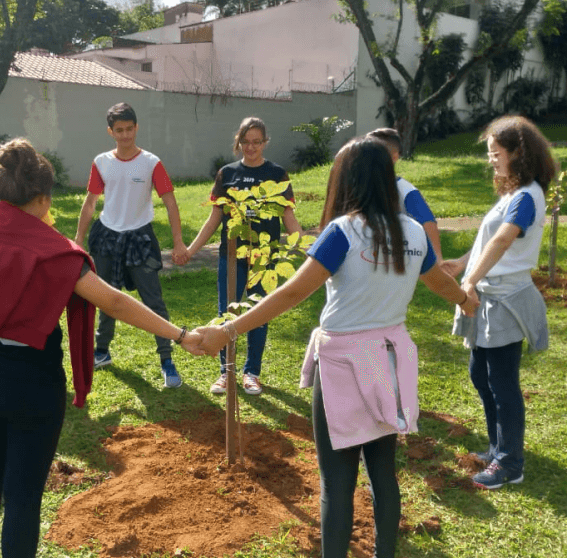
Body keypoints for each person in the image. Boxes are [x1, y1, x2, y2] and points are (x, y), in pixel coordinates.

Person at [0, 138, 201, 558]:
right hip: (32, 383)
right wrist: (180, 335)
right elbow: (112, 300)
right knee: (22, 497)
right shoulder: (54, 251)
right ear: (42, 199)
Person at [194, 136, 477, 558]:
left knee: (337, 481)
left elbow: (291, 294)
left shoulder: (342, 232)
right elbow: (440, 283)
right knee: (383, 472)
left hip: (344, 362)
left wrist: (230, 329)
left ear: (345, 180)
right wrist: (466, 301)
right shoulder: (414, 232)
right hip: (390, 357)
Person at [441, 115, 556, 490]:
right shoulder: (512, 193)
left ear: (517, 153)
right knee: (480, 374)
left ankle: (510, 463)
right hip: (489, 297)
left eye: (496, 153)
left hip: (505, 299)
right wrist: (462, 264)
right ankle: (497, 448)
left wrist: (469, 280)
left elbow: (504, 240)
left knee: (502, 381)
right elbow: (486, 238)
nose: (491, 160)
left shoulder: (527, 196)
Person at [74, 102, 189, 388]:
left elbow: (170, 203)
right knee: (104, 297)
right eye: (119, 130)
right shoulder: (101, 162)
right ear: (110, 132)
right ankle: (102, 352)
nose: (125, 135)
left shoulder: (151, 162)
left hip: (140, 238)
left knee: (154, 301)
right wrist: (77, 240)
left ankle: (166, 359)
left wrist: (179, 242)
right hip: (107, 237)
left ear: (137, 128)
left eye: (129, 129)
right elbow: (90, 204)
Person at [186, 116, 302, 395]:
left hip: (264, 258)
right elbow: (215, 218)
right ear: (238, 142)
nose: (251, 148)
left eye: (257, 142)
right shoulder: (227, 173)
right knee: (227, 313)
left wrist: (308, 250)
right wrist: (191, 250)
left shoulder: (277, 174)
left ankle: (252, 373)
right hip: (232, 257)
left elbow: (288, 216)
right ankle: (227, 374)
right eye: (246, 142)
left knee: (259, 313)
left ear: (265, 143)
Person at [368, 128, 443, 261]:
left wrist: (437, 260)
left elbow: (428, 224)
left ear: (395, 157)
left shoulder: (406, 191)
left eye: (378, 153)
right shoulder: (359, 187)